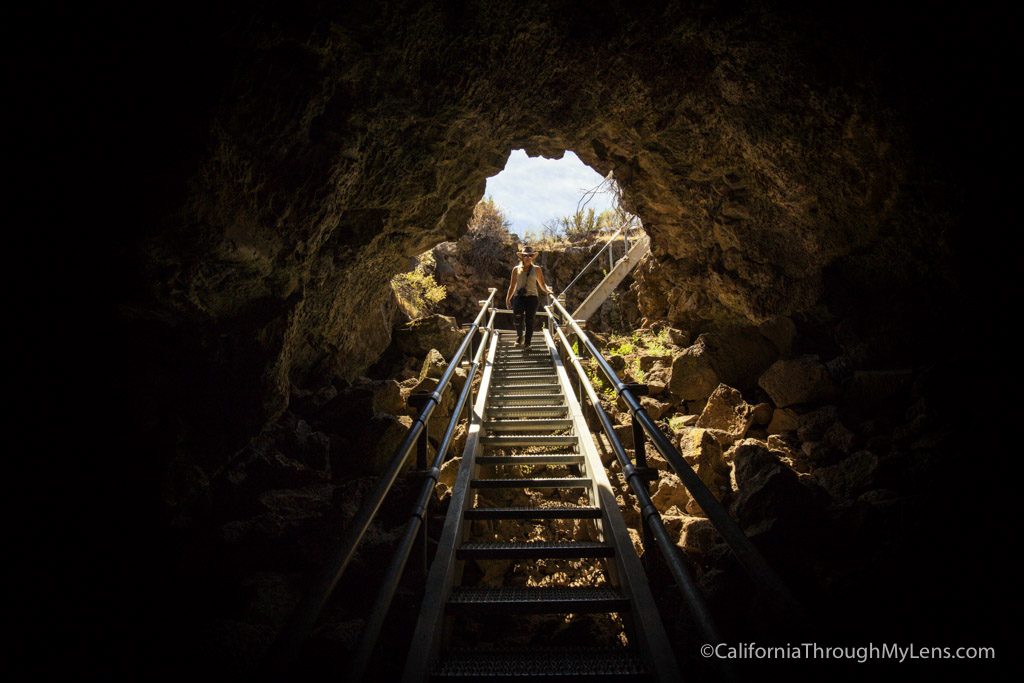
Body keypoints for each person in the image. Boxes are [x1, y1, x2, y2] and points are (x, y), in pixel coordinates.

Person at [505, 245, 551, 348]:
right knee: (518, 318)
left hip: (532, 297)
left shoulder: (537, 269)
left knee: (529, 320)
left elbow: (542, 284)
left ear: (532, 257)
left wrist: (548, 291)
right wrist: (508, 299)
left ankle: (527, 342)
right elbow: (512, 286)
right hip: (519, 297)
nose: (528, 257)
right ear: (522, 257)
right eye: (525, 255)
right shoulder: (516, 269)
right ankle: (519, 337)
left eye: (530, 255)